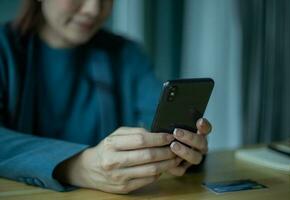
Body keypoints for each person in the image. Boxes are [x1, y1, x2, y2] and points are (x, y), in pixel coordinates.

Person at [0, 0, 212, 194]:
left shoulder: (126, 54)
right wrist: (77, 167)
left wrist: (182, 152)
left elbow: (163, 123)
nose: (93, 9)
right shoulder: (4, 49)